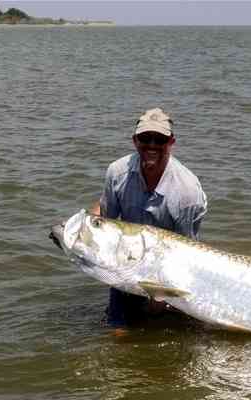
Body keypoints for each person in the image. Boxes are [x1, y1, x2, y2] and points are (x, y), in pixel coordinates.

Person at [89, 107, 208, 327]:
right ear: (135, 141)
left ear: (171, 142)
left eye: (159, 140)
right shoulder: (116, 173)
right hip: (127, 261)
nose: (151, 145)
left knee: (175, 327)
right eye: (145, 138)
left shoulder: (187, 192)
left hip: (169, 264)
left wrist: (163, 297)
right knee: (117, 331)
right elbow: (106, 225)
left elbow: (187, 255)